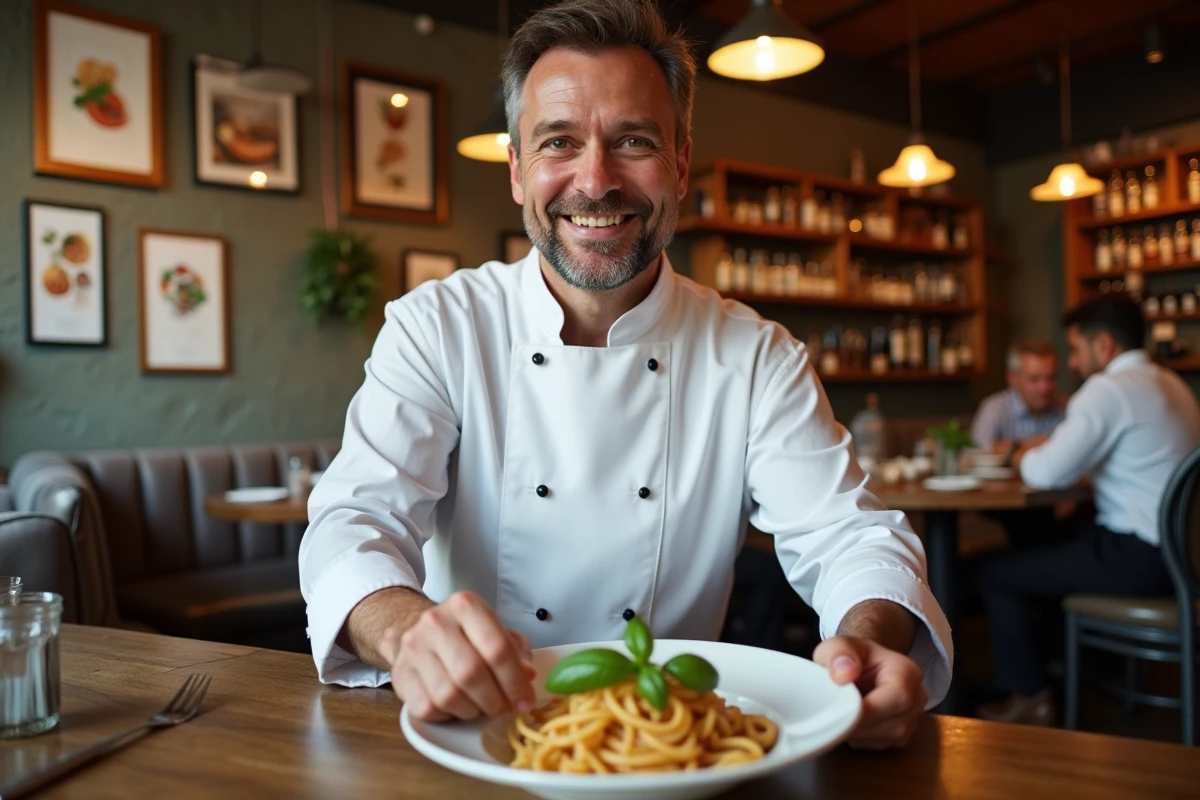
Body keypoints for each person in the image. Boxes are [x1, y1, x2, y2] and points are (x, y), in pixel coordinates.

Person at [299, 0, 951, 750]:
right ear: (517, 170)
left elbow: (849, 536)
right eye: (559, 142)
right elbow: (355, 522)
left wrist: (869, 638)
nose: (596, 180)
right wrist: (406, 628)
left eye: (633, 140)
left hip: (676, 752)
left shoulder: (755, 353)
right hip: (470, 735)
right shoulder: (439, 325)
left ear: (679, 163)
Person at [978, 293, 1200, 725]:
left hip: (1144, 558)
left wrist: (1020, 453)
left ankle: (1031, 697)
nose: (1073, 365)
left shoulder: (1108, 390)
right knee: (1049, 543)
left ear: (1104, 346)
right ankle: (1072, 667)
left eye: (1076, 351)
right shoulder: (1172, 384)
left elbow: (1044, 473)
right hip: (1183, 559)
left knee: (998, 575)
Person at [970, 338, 1065, 457]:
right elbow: (977, 450)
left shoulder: (1066, 407)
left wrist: (1010, 447)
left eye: (1051, 378)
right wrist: (1036, 444)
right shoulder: (995, 408)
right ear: (1012, 378)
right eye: (1034, 379)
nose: (1044, 388)